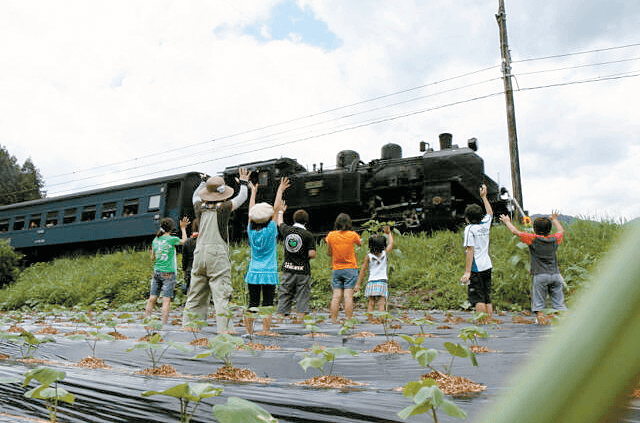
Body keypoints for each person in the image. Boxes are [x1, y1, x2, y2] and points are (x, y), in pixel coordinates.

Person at [182, 168, 251, 333]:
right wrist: (243, 182)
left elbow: (195, 195)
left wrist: (203, 182)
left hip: (199, 255)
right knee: (221, 294)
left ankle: (190, 328)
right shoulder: (224, 208)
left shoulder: (199, 206)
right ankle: (225, 330)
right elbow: (242, 197)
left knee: (195, 294)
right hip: (217, 255)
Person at [500, 211, 567, 324]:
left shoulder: (533, 238)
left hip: (540, 275)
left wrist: (507, 222)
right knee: (559, 305)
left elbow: (515, 231)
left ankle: (541, 323)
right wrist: (554, 219)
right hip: (555, 275)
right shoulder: (554, 239)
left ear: (535, 229)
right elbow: (561, 230)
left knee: (539, 306)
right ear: (549, 229)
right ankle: (563, 326)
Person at [274, 178, 317, 321]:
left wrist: (281, 211)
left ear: (294, 219)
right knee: (302, 298)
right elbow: (312, 254)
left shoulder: (287, 230)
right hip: (302, 271)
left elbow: (279, 222)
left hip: (287, 269)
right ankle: (299, 321)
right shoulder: (308, 235)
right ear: (307, 221)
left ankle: (279, 320)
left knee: (284, 295)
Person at [145, 216, 190, 324]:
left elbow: (152, 257)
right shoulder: (172, 239)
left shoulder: (155, 240)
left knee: (152, 298)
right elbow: (184, 241)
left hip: (157, 272)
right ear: (171, 229)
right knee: (166, 300)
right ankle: (164, 323)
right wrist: (183, 228)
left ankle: (146, 320)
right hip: (169, 273)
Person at [460, 184, 494, 320]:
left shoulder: (469, 229)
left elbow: (470, 250)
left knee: (478, 297)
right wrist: (484, 197)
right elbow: (490, 213)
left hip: (476, 267)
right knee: (487, 296)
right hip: (487, 265)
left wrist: (467, 272)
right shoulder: (485, 224)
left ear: (467, 218)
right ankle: (489, 321)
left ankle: (481, 322)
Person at [325, 213, 362, 323]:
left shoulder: (331, 235)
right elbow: (360, 244)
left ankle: (334, 318)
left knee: (336, 295)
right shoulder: (353, 235)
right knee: (348, 295)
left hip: (336, 269)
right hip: (351, 268)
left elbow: (328, 252)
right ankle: (348, 318)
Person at [354, 225, 394, 320]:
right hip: (382, 281)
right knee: (381, 301)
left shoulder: (368, 257)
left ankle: (370, 319)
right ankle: (382, 319)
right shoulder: (385, 253)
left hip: (371, 281)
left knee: (371, 302)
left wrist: (358, 284)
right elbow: (391, 244)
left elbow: (363, 271)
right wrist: (389, 233)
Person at [180, 218, 199, 295]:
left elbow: (184, 260)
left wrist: (184, 270)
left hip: (190, 272)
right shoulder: (206, 241)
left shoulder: (188, 242)